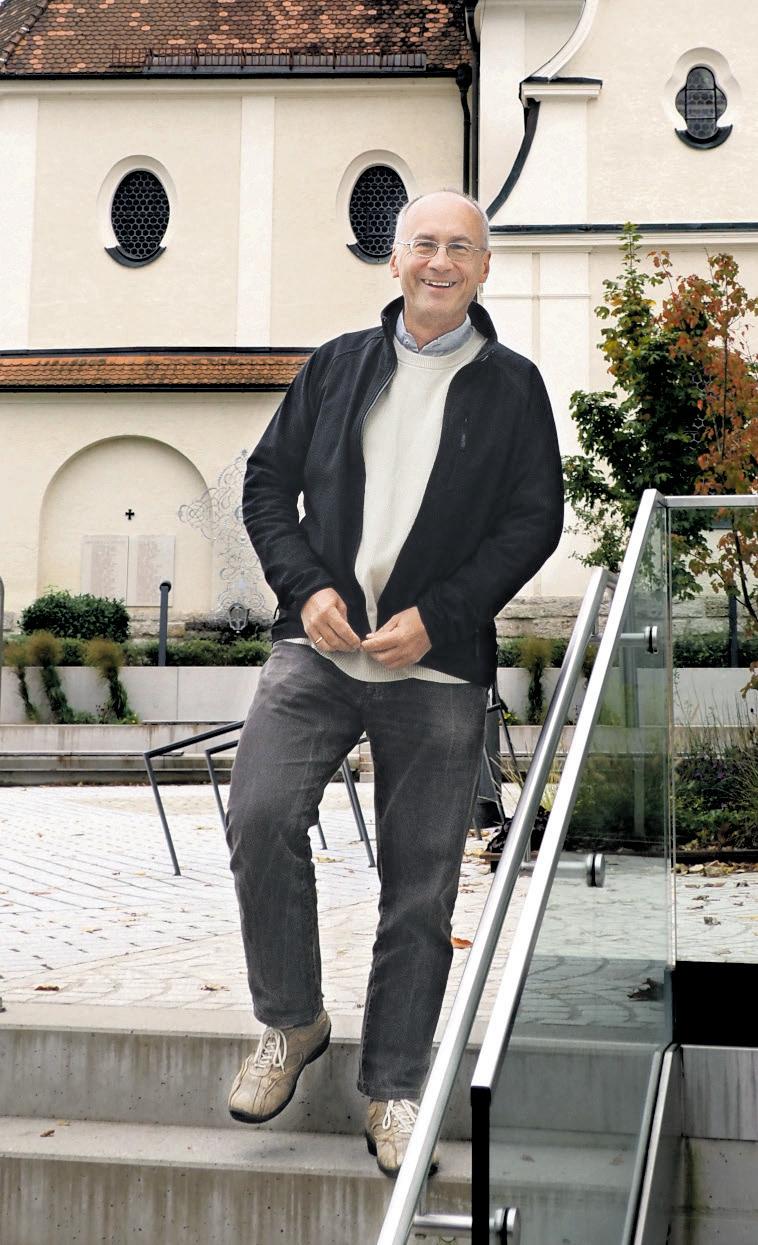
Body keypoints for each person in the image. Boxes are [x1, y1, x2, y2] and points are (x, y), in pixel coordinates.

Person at [225, 189, 563, 1177]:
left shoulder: (514, 387)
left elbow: (532, 521)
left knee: (417, 887)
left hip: (436, 665)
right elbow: (265, 483)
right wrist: (306, 587)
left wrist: (442, 615)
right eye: (423, 243)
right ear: (395, 260)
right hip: (317, 648)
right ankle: (292, 1021)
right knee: (259, 816)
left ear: (484, 267)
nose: (439, 261)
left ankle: (394, 1088)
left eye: (460, 246)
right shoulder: (337, 365)